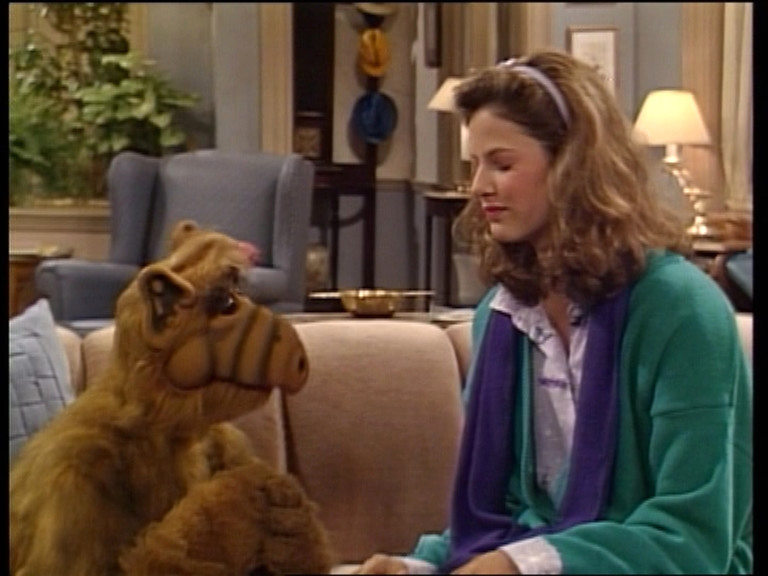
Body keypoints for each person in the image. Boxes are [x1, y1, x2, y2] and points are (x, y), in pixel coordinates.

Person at [355, 50, 752, 574]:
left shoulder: (680, 310)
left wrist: (519, 565)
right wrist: (417, 566)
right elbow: (506, 517)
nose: (479, 187)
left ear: (571, 167)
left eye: (502, 164)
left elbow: (694, 538)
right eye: (475, 165)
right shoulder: (504, 315)